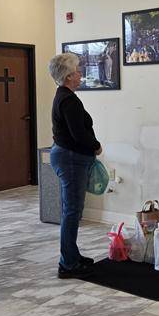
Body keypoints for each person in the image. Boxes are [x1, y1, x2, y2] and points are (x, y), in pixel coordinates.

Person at [49, 52, 102, 278]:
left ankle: (72, 255)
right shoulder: (68, 99)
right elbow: (78, 134)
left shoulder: (65, 95)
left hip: (69, 156)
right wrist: (96, 146)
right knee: (71, 211)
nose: (81, 75)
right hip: (70, 158)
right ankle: (68, 263)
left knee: (73, 209)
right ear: (69, 76)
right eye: (78, 71)